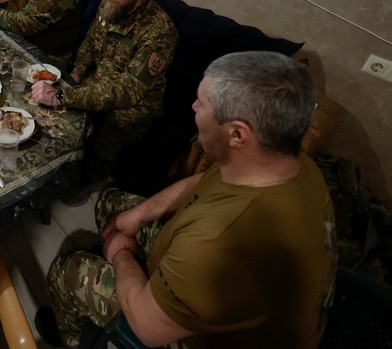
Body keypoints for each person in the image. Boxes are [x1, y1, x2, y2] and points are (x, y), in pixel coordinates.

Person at [43, 51, 337, 348]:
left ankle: (72, 335)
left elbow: (148, 327)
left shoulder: (216, 242)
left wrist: (121, 255)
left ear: (238, 134)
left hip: (184, 332)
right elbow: (205, 180)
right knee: (111, 202)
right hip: (213, 283)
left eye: (202, 103)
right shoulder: (290, 163)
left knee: (65, 271)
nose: (193, 106)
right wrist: (143, 212)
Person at [30, 0, 177, 180]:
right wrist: (75, 75)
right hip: (98, 83)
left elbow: (129, 91)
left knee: (102, 142)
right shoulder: (110, 3)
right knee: (44, 117)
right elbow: (90, 43)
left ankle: (89, 181)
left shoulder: (159, 31)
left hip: (134, 104)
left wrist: (62, 96)